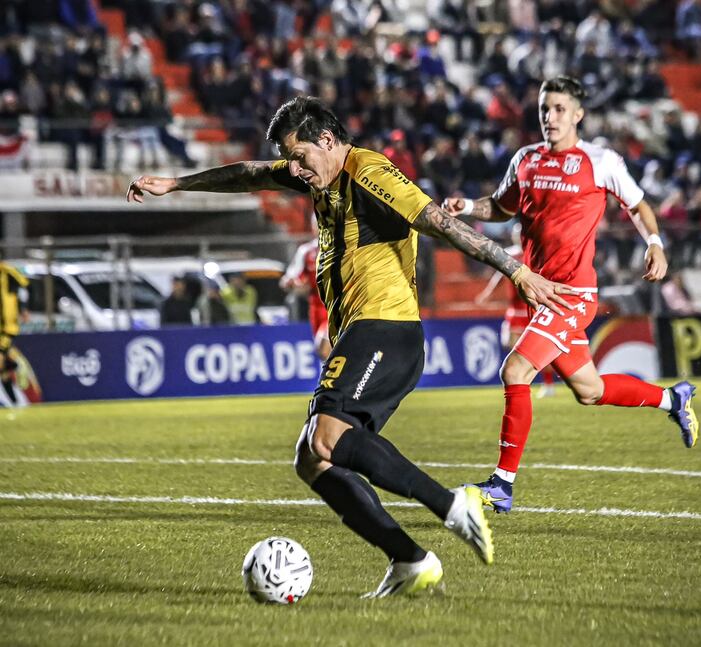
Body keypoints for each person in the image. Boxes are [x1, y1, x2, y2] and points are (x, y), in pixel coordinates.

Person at [127, 96, 572, 598]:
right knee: (312, 458)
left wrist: (517, 271)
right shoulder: (315, 170)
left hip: (385, 326)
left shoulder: (370, 171)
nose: (295, 170)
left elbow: (439, 222)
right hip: (362, 332)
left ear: (328, 140)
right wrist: (176, 184)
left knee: (324, 437)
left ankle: (451, 505)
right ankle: (410, 560)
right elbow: (250, 172)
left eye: (300, 158)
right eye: (289, 160)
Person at [442, 76, 700, 514]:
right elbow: (502, 207)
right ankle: (674, 399)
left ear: (578, 114)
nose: (550, 117)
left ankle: (502, 485)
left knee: (516, 370)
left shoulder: (600, 161)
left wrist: (655, 243)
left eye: (560, 108)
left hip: (571, 295)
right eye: (545, 108)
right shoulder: (525, 159)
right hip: (538, 295)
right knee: (590, 389)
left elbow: (637, 205)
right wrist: (467, 206)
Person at [475, 224, 556, 398]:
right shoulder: (510, 254)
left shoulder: (536, 254)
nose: (518, 237)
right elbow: (499, 276)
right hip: (515, 311)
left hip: (534, 309)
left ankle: (548, 384)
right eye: (516, 234)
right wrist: (487, 293)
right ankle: (520, 384)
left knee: (538, 350)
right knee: (514, 349)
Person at [280, 232, 331, 360]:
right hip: (316, 305)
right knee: (322, 350)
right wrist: (295, 285)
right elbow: (288, 280)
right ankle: (331, 377)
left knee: (325, 344)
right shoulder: (307, 251)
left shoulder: (342, 247)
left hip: (336, 305)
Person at [0, 259, 28, 407]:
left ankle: (12, 364)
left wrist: (23, 309)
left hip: (7, 328)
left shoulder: (9, 272)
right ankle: (15, 403)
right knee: (3, 372)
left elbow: (23, 289)